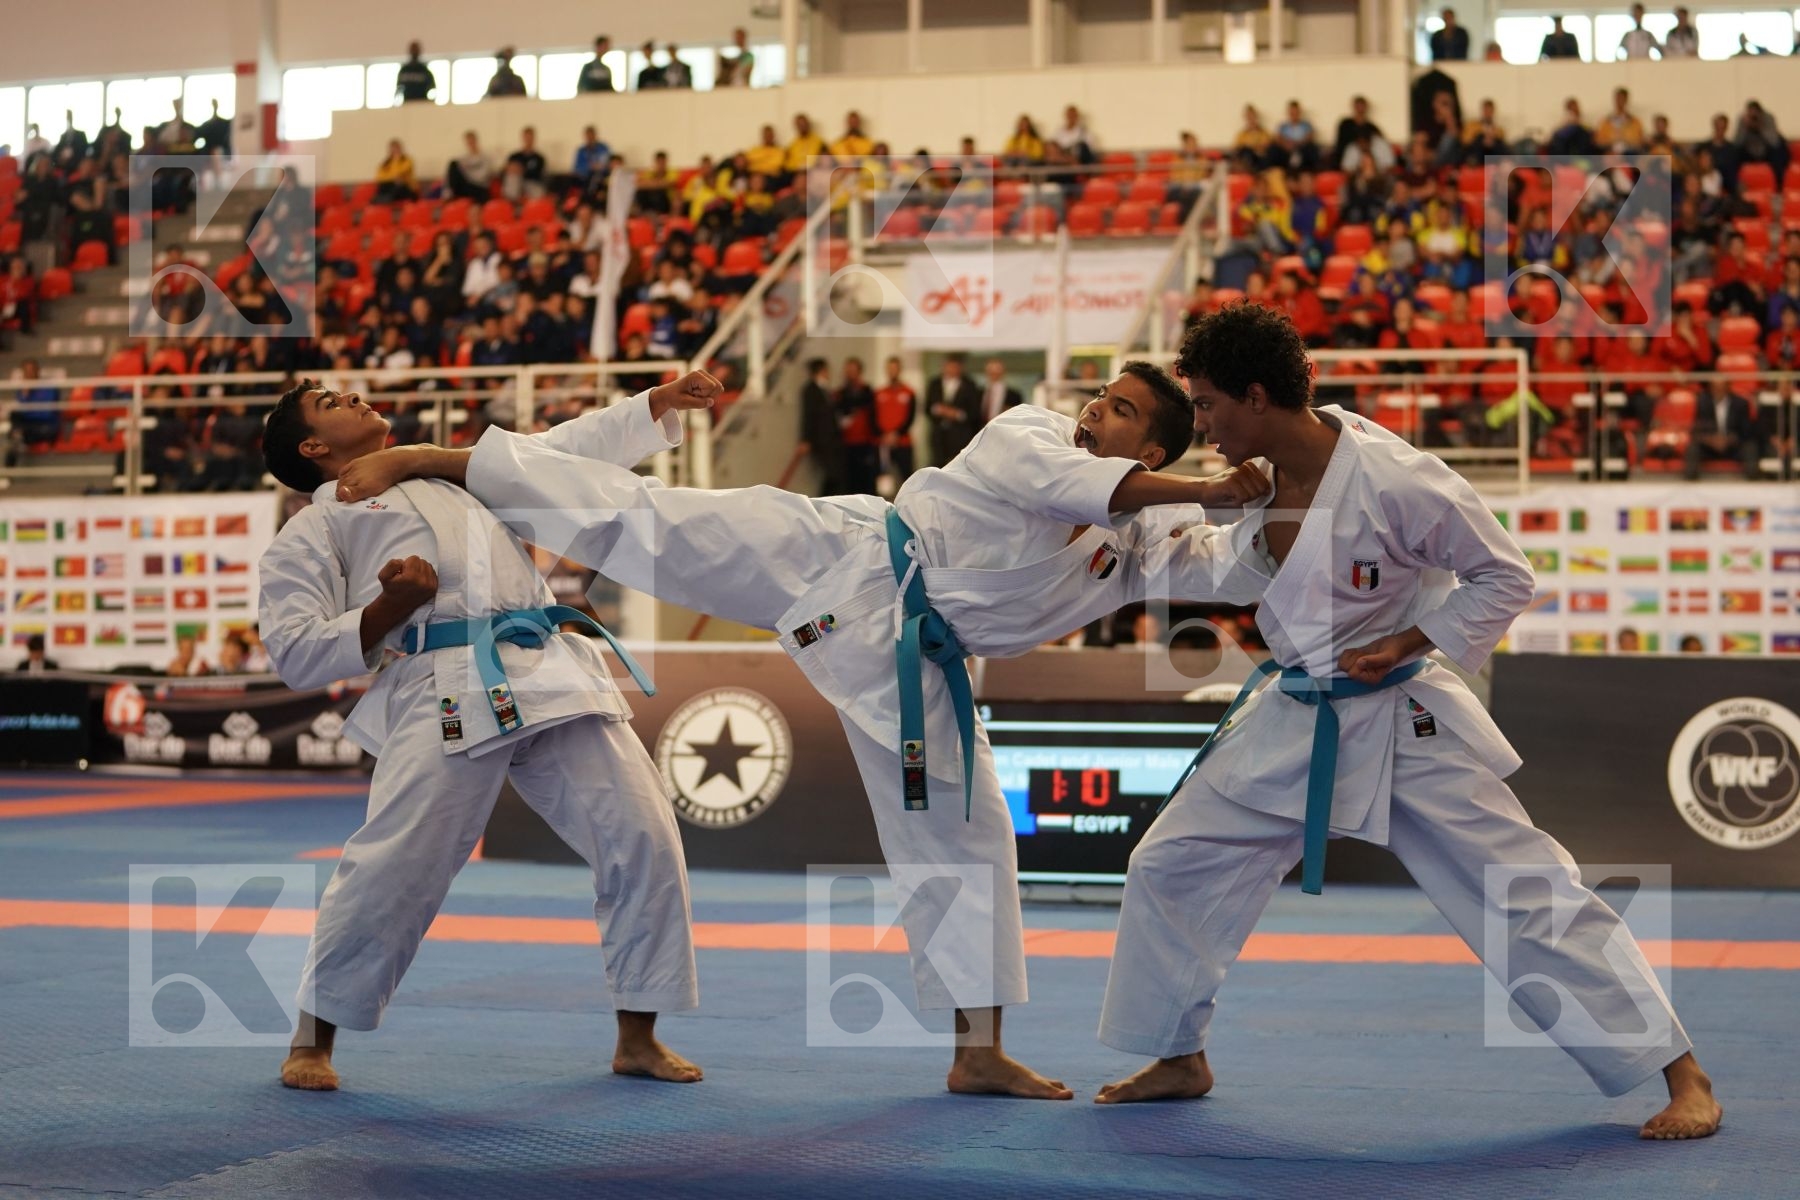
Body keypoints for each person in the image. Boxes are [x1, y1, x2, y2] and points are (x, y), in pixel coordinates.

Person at [333, 362, 1273, 1103]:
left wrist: (1279, 496)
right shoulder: (1030, 432)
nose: (1095, 411)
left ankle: (977, 1054)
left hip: (914, 663)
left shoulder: (1135, 542)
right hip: (841, 552)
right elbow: (1078, 481)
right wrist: (1209, 489)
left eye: (1120, 411)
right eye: (1101, 396)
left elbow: (1233, 565)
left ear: (1151, 443)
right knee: (649, 518)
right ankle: (439, 460)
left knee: (968, 831)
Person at [1093, 304, 1722, 1143]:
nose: (1199, 424)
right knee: (1169, 863)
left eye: (1206, 405)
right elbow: (1225, 566)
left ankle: (1683, 1073)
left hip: (1402, 717)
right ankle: (1179, 1055)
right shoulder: (1249, 483)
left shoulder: (1397, 478)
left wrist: (1408, 638)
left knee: (1525, 891)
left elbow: (1504, 577)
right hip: (1297, 711)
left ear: (1254, 395)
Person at [258, 375, 718, 1093]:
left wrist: (650, 406)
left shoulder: (463, 471)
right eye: (329, 403)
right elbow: (294, 650)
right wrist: (388, 608)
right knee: (395, 865)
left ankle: (639, 1035)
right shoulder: (318, 527)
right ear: (313, 446)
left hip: (550, 670)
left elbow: (560, 451)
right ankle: (313, 1037)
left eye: (346, 391)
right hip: (443, 683)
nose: (352, 396)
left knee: (643, 835)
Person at [1684, 375, 1759, 480]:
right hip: (1710, 446)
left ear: (1728, 387)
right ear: (1711, 388)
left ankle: (1753, 481)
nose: (1718, 390)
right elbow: (1698, 429)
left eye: (1721, 387)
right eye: (1715, 387)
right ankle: (1690, 482)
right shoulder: (1703, 403)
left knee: (1750, 447)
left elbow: (1746, 430)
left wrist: (1729, 439)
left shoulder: (1741, 403)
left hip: (1733, 446)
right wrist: (1710, 439)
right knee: (1693, 448)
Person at [800, 357, 846, 494]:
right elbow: (808, 415)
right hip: (822, 440)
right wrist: (806, 439)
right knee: (832, 474)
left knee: (836, 474)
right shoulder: (810, 390)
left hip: (832, 439)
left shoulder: (826, 390)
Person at [926, 354, 981, 467]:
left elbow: (974, 411)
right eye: (949, 366)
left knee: (958, 466)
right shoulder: (934, 384)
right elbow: (927, 407)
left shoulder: (970, 385)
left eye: (955, 367)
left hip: (960, 435)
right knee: (937, 465)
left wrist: (957, 414)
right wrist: (939, 410)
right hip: (939, 434)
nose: (951, 369)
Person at [875, 355, 918, 490]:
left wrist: (896, 434)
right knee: (883, 480)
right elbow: (874, 417)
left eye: (894, 369)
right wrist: (884, 435)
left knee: (907, 480)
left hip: (903, 442)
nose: (892, 371)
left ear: (900, 370)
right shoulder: (879, 393)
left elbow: (911, 417)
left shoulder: (909, 392)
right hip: (883, 444)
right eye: (889, 369)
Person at [979, 358, 1022, 426]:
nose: (994, 374)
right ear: (986, 372)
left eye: (997, 371)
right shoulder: (978, 393)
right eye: (991, 371)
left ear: (1003, 372)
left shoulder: (1014, 395)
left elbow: (1019, 418)